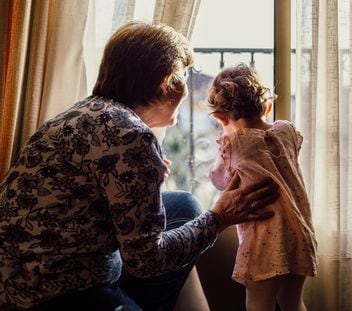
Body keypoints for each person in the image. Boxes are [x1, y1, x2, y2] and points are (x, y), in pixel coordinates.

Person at [0, 23, 280, 311]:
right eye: (182, 76)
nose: (185, 87)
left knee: (183, 205)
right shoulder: (132, 135)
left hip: (16, 275)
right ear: (165, 82)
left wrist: (143, 178)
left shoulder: (83, 112)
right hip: (57, 292)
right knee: (193, 219)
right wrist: (220, 217)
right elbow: (146, 260)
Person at [207, 64, 318, 311]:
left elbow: (220, 180)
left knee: (259, 305)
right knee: (292, 302)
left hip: (264, 242)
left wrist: (225, 146)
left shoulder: (233, 143)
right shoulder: (286, 130)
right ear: (266, 107)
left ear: (220, 117)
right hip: (298, 232)